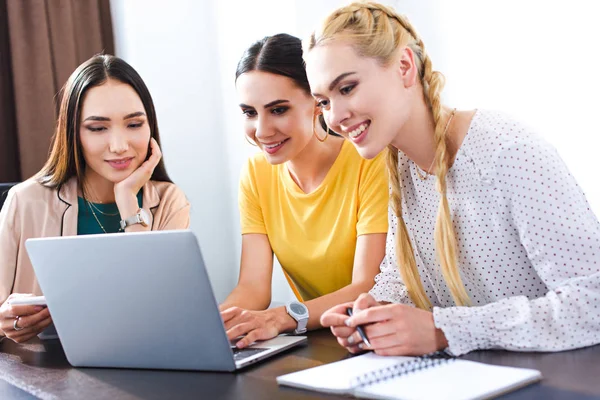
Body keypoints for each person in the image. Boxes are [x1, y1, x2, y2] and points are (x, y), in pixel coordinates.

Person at [305, 2, 600, 356]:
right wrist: (374, 311)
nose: (335, 117)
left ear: (404, 67)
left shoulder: (508, 152)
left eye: (347, 88)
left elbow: (593, 301)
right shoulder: (401, 168)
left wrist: (444, 330)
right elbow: (403, 280)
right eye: (323, 102)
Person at [0, 54, 190, 343]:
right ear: (73, 133)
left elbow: (156, 315)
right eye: (98, 128)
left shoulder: (168, 202)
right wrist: (5, 322)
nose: (119, 145)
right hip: (43, 373)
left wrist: (128, 201)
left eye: (134, 124)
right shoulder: (24, 201)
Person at [220, 34, 388, 349]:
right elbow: (253, 288)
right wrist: (219, 322)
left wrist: (283, 317)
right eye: (249, 112)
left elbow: (368, 285)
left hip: (380, 337)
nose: (261, 130)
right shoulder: (256, 174)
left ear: (315, 101)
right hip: (323, 342)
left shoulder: (368, 161)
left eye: (278, 110)